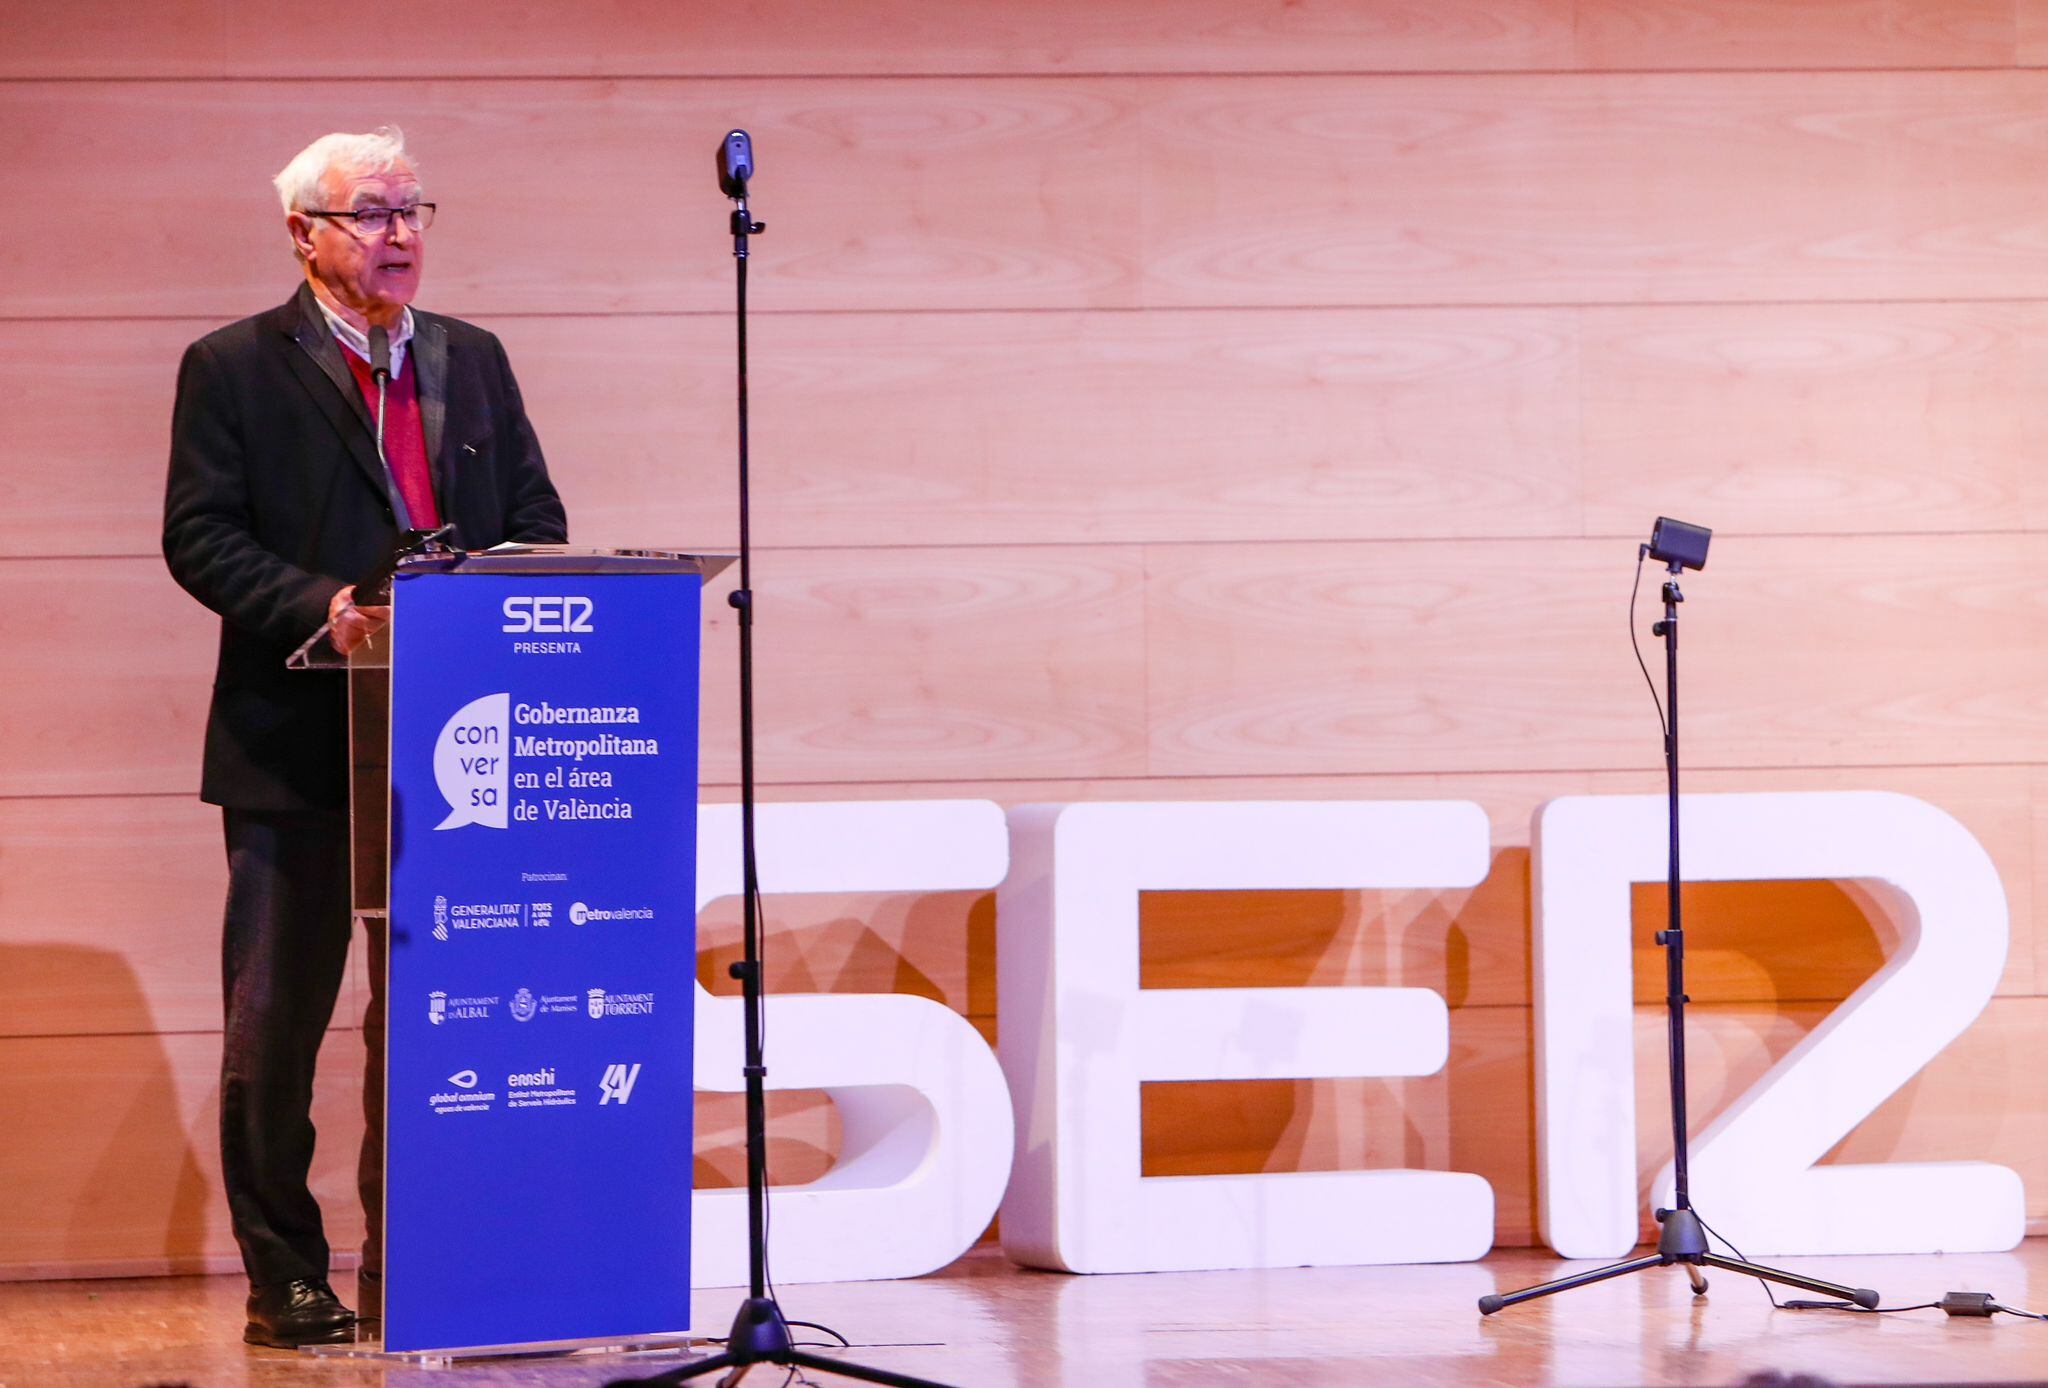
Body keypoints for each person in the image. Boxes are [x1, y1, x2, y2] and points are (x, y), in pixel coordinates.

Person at [162, 127, 567, 1348]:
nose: (400, 233)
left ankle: (419, 1262)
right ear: (305, 235)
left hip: (454, 751)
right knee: (276, 1026)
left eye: (411, 208)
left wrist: (486, 595)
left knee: (435, 1024)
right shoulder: (233, 364)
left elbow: (538, 516)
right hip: (296, 743)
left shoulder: (471, 360)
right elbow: (201, 534)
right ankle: (286, 1277)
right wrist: (326, 608)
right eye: (370, 213)